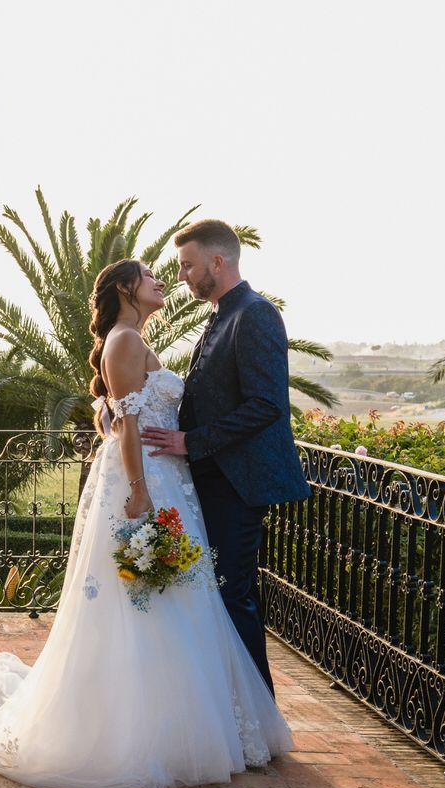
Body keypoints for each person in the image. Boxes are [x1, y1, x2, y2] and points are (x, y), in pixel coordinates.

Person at [0, 258, 292, 788]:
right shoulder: (124, 341)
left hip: (169, 477)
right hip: (147, 478)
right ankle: (142, 731)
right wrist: (139, 490)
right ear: (126, 288)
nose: (163, 280)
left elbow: (123, 409)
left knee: (173, 597)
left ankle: (174, 723)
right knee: (147, 598)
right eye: (150, 275)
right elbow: (129, 424)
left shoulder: (132, 339)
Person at [140, 220, 311, 695]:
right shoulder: (221, 314)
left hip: (238, 483)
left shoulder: (255, 314)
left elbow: (266, 404)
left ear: (217, 262)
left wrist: (190, 442)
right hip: (212, 480)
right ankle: (232, 706)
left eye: (187, 265)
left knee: (232, 595)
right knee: (220, 594)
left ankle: (257, 711)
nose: (181, 276)